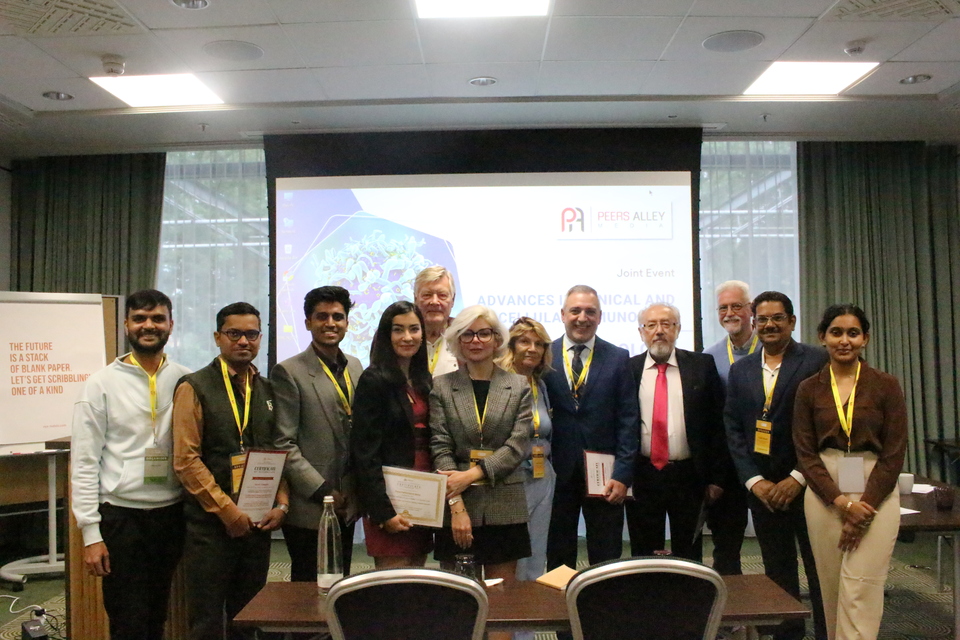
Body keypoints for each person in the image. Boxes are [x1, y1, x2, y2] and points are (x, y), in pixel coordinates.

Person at [70, 289, 191, 640]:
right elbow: (84, 463)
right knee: (128, 619)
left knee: (157, 614)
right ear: (126, 325)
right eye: (139, 318)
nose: (148, 325)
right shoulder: (100, 385)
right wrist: (91, 534)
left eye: (157, 318)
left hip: (171, 515)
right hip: (121, 517)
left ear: (171, 325)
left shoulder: (186, 380)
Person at [172, 302, 288, 640]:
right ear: (217, 337)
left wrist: (282, 504)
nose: (243, 341)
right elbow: (186, 460)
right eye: (234, 334)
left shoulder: (266, 389)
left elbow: (275, 452)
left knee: (249, 618)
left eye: (251, 334)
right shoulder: (194, 386)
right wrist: (228, 512)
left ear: (260, 337)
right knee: (207, 621)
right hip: (211, 528)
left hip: (257, 526)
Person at [793, 304, 907, 640]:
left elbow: (894, 452)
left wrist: (862, 509)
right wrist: (842, 504)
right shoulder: (808, 388)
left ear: (865, 339)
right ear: (822, 337)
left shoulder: (886, 385)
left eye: (853, 333)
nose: (845, 340)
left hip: (876, 489)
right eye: (836, 333)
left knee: (861, 587)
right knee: (830, 588)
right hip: (825, 491)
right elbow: (805, 453)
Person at [724, 291, 828, 640]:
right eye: (763, 319)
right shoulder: (741, 370)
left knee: (819, 569)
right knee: (777, 570)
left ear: (792, 321)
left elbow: (825, 426)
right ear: (754, 323)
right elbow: (733, 428)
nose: (769, 325)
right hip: (764, 491)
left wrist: (798, 476)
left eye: (777, 318)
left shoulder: (816, 361)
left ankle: (827, 633)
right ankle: (787, 635)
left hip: (810, 485)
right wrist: (754, 481)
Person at [430, 305, 532, 581]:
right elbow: (440, 446)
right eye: (468, 334)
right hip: (458, 505)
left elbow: (517, 446)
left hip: (505, 504)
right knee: (459, 597)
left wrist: (471, 475)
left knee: (503, 598)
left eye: (484, 333)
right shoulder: (441, 386)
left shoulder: (519, 385)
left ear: (497, 339)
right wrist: (456, 505)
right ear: (458, 340)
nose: (476, 340)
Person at [544, 285, 638, 570]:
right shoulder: (543, 355)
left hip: (605, 476)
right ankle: (560, 599)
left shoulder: (618, 357)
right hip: (556, 471)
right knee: (558, 553)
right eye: (575, 311)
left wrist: (623, 474)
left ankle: (603, 598)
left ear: (600, 317)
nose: (582, 318)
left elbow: (628, 420)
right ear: (563, 314)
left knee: (606, 553)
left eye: (590, 312)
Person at [272, 285, 363, 580]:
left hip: (347, 502)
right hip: (310, 506)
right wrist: (323, 491)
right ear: (308, 322)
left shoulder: (355, 367)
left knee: (341, 582)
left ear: (347, 322)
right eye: (322, 316)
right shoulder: (289, 372)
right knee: (309, 587)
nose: (330, 323)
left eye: (338, 316)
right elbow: (284, 443)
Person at [624, 303, 727, 561]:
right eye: (651, 325)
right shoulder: (628, 369)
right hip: (643, 474)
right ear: (641, 332)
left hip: (689, 475)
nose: (659, 331)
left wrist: (716, 478)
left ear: (678, 329)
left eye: (666, 324)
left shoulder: (701, 365)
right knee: (644, 553)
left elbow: (717, 424)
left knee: (688, 553)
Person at [351, 300, 434, 568]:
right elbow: (365, 452)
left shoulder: (424, 381)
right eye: (398, 330)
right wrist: (383, 511)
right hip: (390, 497)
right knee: (393, 582)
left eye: (414, 329)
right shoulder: (373, 380)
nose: (407, 337)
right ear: (387, 335)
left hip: (424, 494)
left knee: (417, 576)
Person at [702, 280, 756, 575]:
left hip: (768, 461)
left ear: (751, 309)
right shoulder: (709, 357)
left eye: (736, 306)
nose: (730, 313)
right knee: (726, 544)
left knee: (776, 539)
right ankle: (731, 601)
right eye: (723, 308)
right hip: (729, 464)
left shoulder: (772, 348)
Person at [497, 316, 555, 581]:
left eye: (538, 344)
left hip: (542, 476)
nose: (532, 349)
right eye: (524, 342)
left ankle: (531, 603)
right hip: (512, 477)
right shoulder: (500, 382)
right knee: (512, 551)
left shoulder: (540, 384)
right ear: (511, 346)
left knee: (536, 550)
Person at [414, 265, 459, 376]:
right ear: (415, 299)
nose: (434, 301)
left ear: (453, 300)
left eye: (442, 295)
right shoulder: (397, 336)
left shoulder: (465, 337)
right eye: (427, 295)